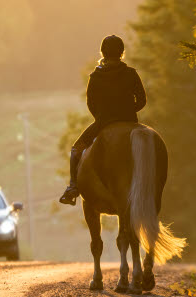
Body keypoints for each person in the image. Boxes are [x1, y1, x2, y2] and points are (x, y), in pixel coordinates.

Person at [59, 35, 147, 206]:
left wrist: (102, 117)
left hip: (103, 122)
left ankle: (73, 188)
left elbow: (90, 103)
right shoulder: (131, 73)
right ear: (122, 53)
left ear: (103, 53)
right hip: (130, 120)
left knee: (76, 150)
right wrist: (128, 111)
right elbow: (142, 100)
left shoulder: (96, 76)